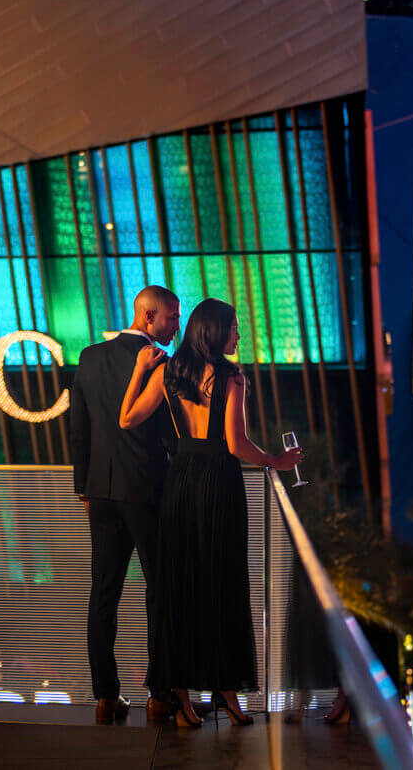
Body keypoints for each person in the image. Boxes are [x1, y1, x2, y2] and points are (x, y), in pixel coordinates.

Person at [119, 298, 302, 728]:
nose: (239, 336)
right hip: (219, 482)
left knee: (180, 587)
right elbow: (237, 445)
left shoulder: (169, 371)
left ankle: (181, 697)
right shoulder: (232, 378)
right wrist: (277, 460)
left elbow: (126, 418)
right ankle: (226, 692)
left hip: (180, 482)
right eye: (235, 328)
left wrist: (140, 371)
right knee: (223, 584)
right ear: (216, 333)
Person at [70, 285, 180, 724]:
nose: (177, 325)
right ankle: (158, 696)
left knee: (103, 592)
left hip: (100, 492)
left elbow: (79, 429)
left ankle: (105, 697)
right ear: (149, 318)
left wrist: (84, 488)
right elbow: (170, 431)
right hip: (147, 491)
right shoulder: (161, 363)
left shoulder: (90, 357)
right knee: (161, 590)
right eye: (172, 317)